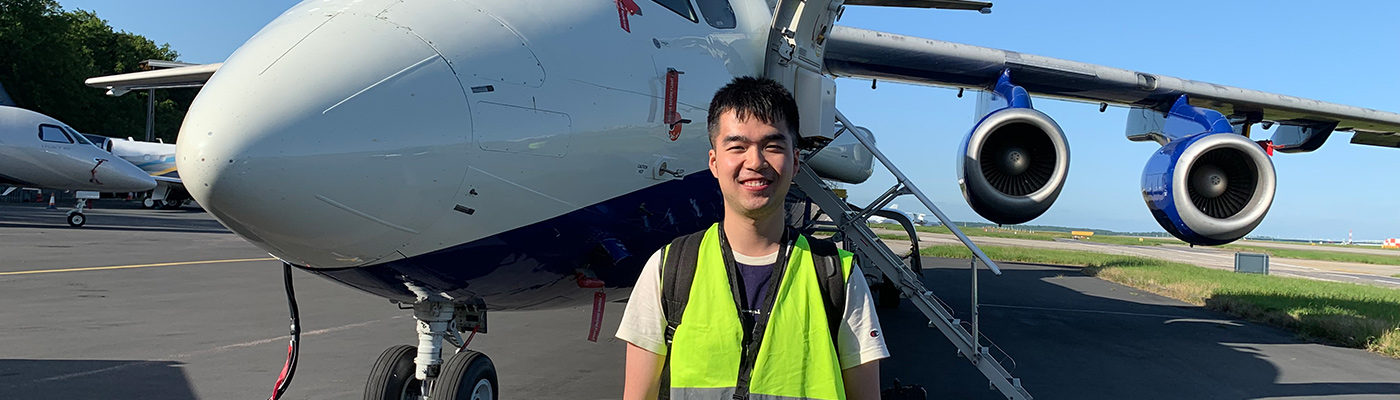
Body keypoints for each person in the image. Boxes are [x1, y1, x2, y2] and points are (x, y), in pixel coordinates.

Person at [617, 76, 887, 400]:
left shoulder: (836, 276)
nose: (755, 162)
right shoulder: (668, 270)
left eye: (772, 146)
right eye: (737, 147)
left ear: (796, 161)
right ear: (714, 163)